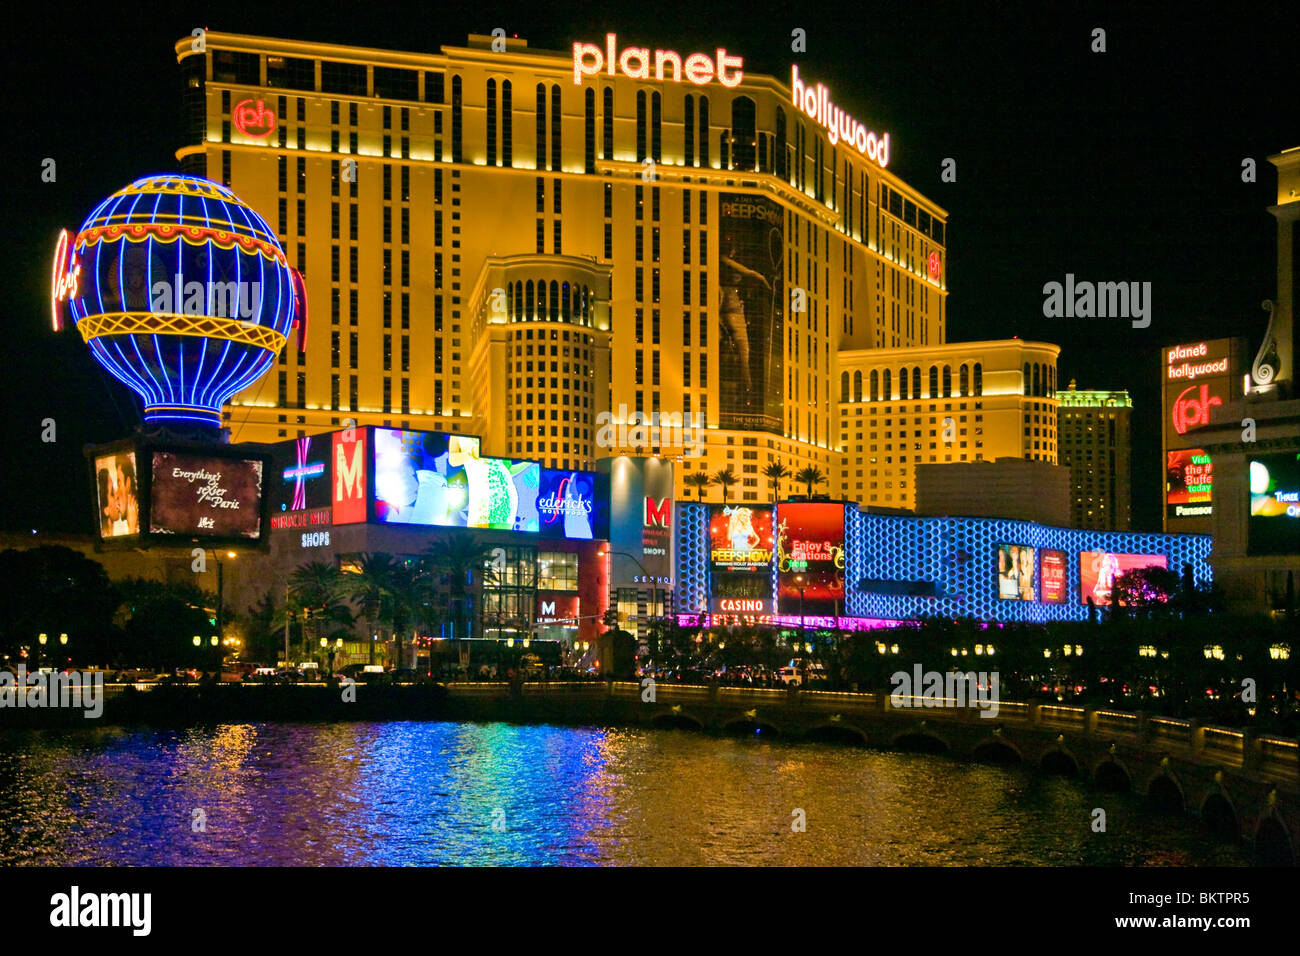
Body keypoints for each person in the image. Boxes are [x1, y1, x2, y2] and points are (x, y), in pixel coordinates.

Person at [718, 239, 772, 395]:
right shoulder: (723, 260)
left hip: (733, 309)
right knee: (742, 348)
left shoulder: (724, 265)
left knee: (740, 349)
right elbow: (748, 273)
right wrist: (762, 280)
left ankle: (746, 386)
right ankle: (747, 387)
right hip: (732, 310)